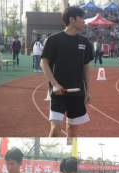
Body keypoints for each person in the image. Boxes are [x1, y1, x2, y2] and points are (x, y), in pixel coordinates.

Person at [41, 4, 93, 137]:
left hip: (77, 93)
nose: (84, 21)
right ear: (71, 19)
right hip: (58, 93)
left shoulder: (85, 42)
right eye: (81, 18)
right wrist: (54, 84)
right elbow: (44, 63)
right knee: (55, 129)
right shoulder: (54, 40)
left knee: (72, 130)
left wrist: (88, 90)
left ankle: (70, 148)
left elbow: (86, 67)